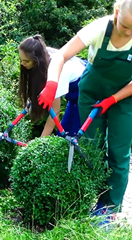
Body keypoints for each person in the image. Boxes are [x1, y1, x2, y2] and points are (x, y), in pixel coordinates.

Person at [38, 0, 132, 226]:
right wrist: (52, 84)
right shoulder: (99, 28)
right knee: (91, 148)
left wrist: (112, 99)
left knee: (119, 153)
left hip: (125, 96)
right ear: (117, 12)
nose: (129, 33)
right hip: (91, 92)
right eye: (125, 27)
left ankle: (109, 209)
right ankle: (89, 200)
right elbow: (61, 56)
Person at [18, 35, 86, 137]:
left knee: (74, 137)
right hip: (73, 98)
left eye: (26, 61)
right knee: (62, 136)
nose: (22, 63)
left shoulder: (58, 72)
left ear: (37, 60)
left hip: (85, 91)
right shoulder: (43, 54)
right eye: (21, 59)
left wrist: (40, 142)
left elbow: (55, 113)